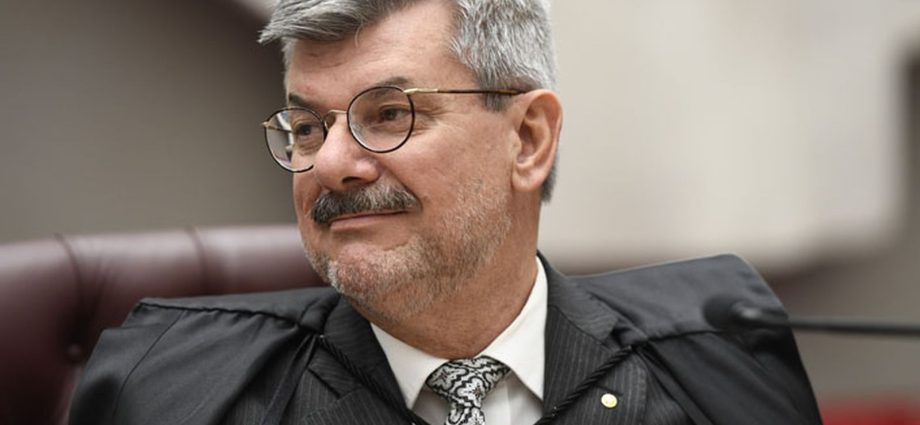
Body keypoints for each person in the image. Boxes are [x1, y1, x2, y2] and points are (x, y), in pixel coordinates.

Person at [69, 1, 823, 424]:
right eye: (306, 126)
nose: (330, 163)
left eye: (390, 114)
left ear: (528, 139)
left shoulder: (718, 356)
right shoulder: (172, 390)